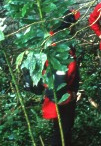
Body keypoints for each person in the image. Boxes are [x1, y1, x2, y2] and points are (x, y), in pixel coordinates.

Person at [23, 9, 80, 146]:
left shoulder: (49, 38)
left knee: (60, 129)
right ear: (70, 26)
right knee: (62, 132)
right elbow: (59, 91)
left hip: (56, 93)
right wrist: (71, 96)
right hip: (61, 98)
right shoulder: (60, 52)